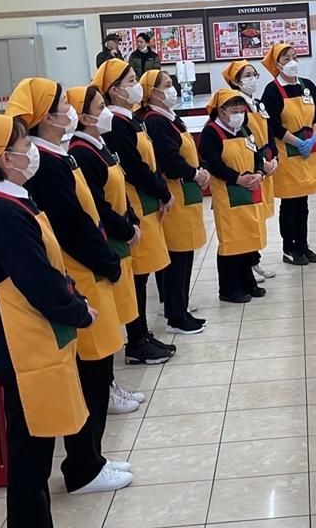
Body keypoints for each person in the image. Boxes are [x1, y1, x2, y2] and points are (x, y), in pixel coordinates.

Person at [0, 114, 98, 528]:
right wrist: (78, 310)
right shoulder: (1, 212)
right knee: (28, 462)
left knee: (37, 457)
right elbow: (37, 281)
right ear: (5, 158)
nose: (32, 151)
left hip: (34, 343)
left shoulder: (10, 200)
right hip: (22, 351)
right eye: (24, 145)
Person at [6, 77, 133, 495]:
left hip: (91, 271)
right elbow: (73, 226)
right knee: (90, 377)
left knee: (98, 371)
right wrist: (108, 262)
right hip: (82, 273)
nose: (71, 110)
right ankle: (83, 466)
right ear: (46, 116)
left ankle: (93, 456)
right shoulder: (47, 165)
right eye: (64, 104)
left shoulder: (59, 156)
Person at [66, 85, 145, 415]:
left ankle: (110, 384)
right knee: (105, 326)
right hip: (105, 244)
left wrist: (132, 220)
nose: (108, 111)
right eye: (101, 107)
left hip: (117, 238)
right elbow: (95, 207)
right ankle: (106, 389)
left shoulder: (100, 146)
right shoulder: (81, 153)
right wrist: (125, 229)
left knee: (116, 318)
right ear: (84, 117)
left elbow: (119, 188)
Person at [92, 58, 176, 364]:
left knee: (143, 273)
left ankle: (142, 333)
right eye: (130, 81)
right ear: (114, 90)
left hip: (147, 202)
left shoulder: (131, 119)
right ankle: (136, 341)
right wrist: (162, 191)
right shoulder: (116, 123)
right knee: (137, 276)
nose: (136, 84)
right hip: (136, 202)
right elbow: (135, 167)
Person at [138, 69, 208, 334]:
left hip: (185, 191)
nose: (173, 89)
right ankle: (175, 316)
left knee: (185, 252)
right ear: (153, 93)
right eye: (167, 85)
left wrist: (198, 169)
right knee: (177, 255)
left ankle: (180, 306)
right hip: (173, 192)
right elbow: (169, 160)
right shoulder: (155, 121)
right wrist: (194, 173)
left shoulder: (170, 117)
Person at [261, 44, 316, 266]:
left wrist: (313, 138)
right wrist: (297, 142)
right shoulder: (272, 91)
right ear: (277, 65)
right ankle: (289, 248)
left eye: (294, 57)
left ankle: (303, 245)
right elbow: (272, 125)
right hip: (287, 153)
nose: (292, 62)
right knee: (290, 202)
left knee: (303, 203)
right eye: (286, 59)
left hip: (308, 152)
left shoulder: (307, 86)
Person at [199, 89, 268, 303]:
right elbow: (213, 164)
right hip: (227, 194)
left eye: (241, 110)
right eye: (234, 110)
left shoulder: (244, 129)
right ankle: (229, 289)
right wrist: (237, 178)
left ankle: (248, 282)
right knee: (231, 241)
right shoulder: (211, 132)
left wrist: (259, 173)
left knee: (248, 237)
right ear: (221, 111)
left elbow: (257, 154)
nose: (239, 114)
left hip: (249, 191)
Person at [222, 59, 278, 282]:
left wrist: (274, 157)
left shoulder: (258, 103)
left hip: (264, 163)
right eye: (247, 75)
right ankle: (252, 263)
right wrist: (260, 162)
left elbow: (268, 132)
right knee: (249, 218)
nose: (252, 79)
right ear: (236, 81)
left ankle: (255, 260)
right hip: (251, 166)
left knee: (259, 215)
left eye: (254, 74)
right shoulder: (235, 108)